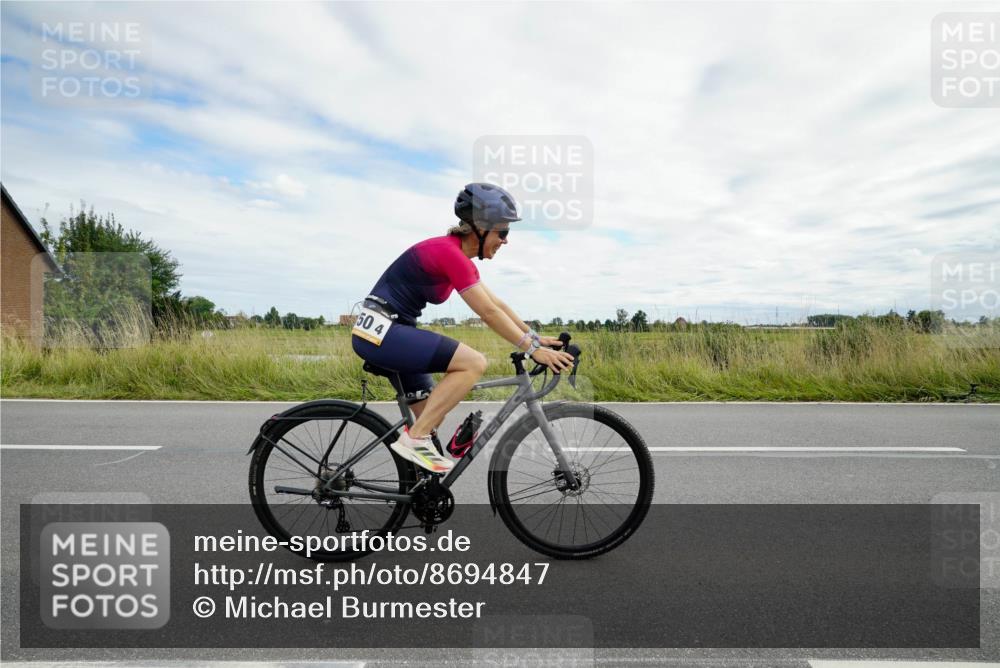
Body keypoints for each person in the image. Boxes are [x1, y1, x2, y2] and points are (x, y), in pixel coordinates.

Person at [351, 183, 575, 473]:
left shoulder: (457, 258)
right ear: (480, 228)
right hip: (383, 334)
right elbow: (488, 312)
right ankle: (413, 439)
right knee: (473, 363)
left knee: (431, 418)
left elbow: (499, 305)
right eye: (502, 232)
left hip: (390, 331)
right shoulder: (449, 254)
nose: (505, 241)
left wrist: (534, 337)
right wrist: (532, 349)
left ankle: (420, 483)